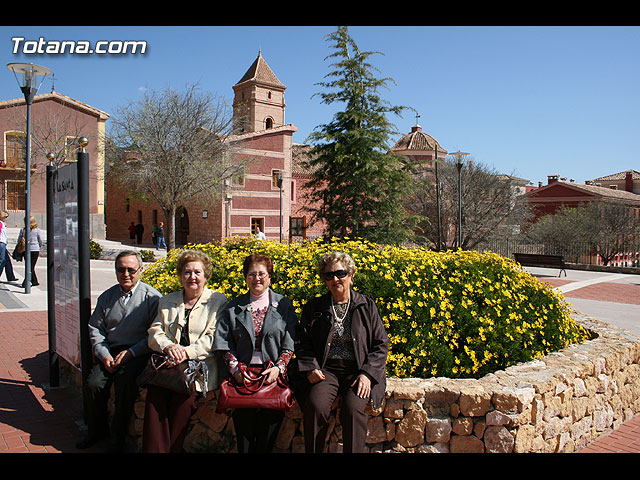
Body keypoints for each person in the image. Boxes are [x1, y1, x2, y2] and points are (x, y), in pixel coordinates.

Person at [293, 251, 389, 453]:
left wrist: (368, 374)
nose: (335, 279)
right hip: (326, 370)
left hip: (357, 370)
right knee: (315, 405)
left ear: (351, 276)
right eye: (329, 275)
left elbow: (381, 344)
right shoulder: (315, 307)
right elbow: (302, 341)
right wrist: (310, 366)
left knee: (353, 410)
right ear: (325, 280)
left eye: (340, 273)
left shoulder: (366, 306)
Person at [143, 249, 227, 453]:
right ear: (181, 275)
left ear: (206, 276)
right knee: (155, 400)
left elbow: (213, 339)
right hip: (168, 365)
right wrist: (168, 347)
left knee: (184, 403)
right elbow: (155, 331)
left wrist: (186, 352)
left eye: (197, 272)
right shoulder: (167, 301)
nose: (192, 277)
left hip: (197, 367)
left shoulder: (218, 301)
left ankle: (173, 448)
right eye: (187, 272)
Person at [78, 250, 161, 452]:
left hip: (137, 353)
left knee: (125, 383)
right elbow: (96, 329)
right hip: (110, 351)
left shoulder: (152, 298)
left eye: (131, 270)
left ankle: (118, 437)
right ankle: (97, 431)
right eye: (121, 270)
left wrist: (131, 353)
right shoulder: (107, 297)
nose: (126, 274)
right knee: (94, 384)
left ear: (141, 270)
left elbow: (154, 334)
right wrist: (104, 354)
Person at [214, 253, 298, 453]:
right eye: (252, 274)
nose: (257, 278)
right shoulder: (234, 307)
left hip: (272, 374)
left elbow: (290, 341)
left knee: (268, 434)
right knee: (244, 433)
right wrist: (235, 369)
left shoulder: (284, 305)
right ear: (245, 277)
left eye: (262, 274)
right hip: (242, 375)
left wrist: (279, 367)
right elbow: (224, 342)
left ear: (270, 276)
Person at [17, 216, 44, 287]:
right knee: (31, 266)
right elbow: (41, 240)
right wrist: (39, 246)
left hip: (26, 250)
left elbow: (19, 240)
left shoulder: (23, 230)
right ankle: (32, 281)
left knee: (29, 266)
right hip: (35, 249)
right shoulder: (37, 230)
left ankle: (29, 281)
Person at [0, 210, 18, 282]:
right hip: (1, 243)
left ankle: (11, 276)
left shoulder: (3, 224)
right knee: (2, 260)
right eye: (6, 217)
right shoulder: (0, 224)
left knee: (7, 261)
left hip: (3, 243)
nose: (7, 218)